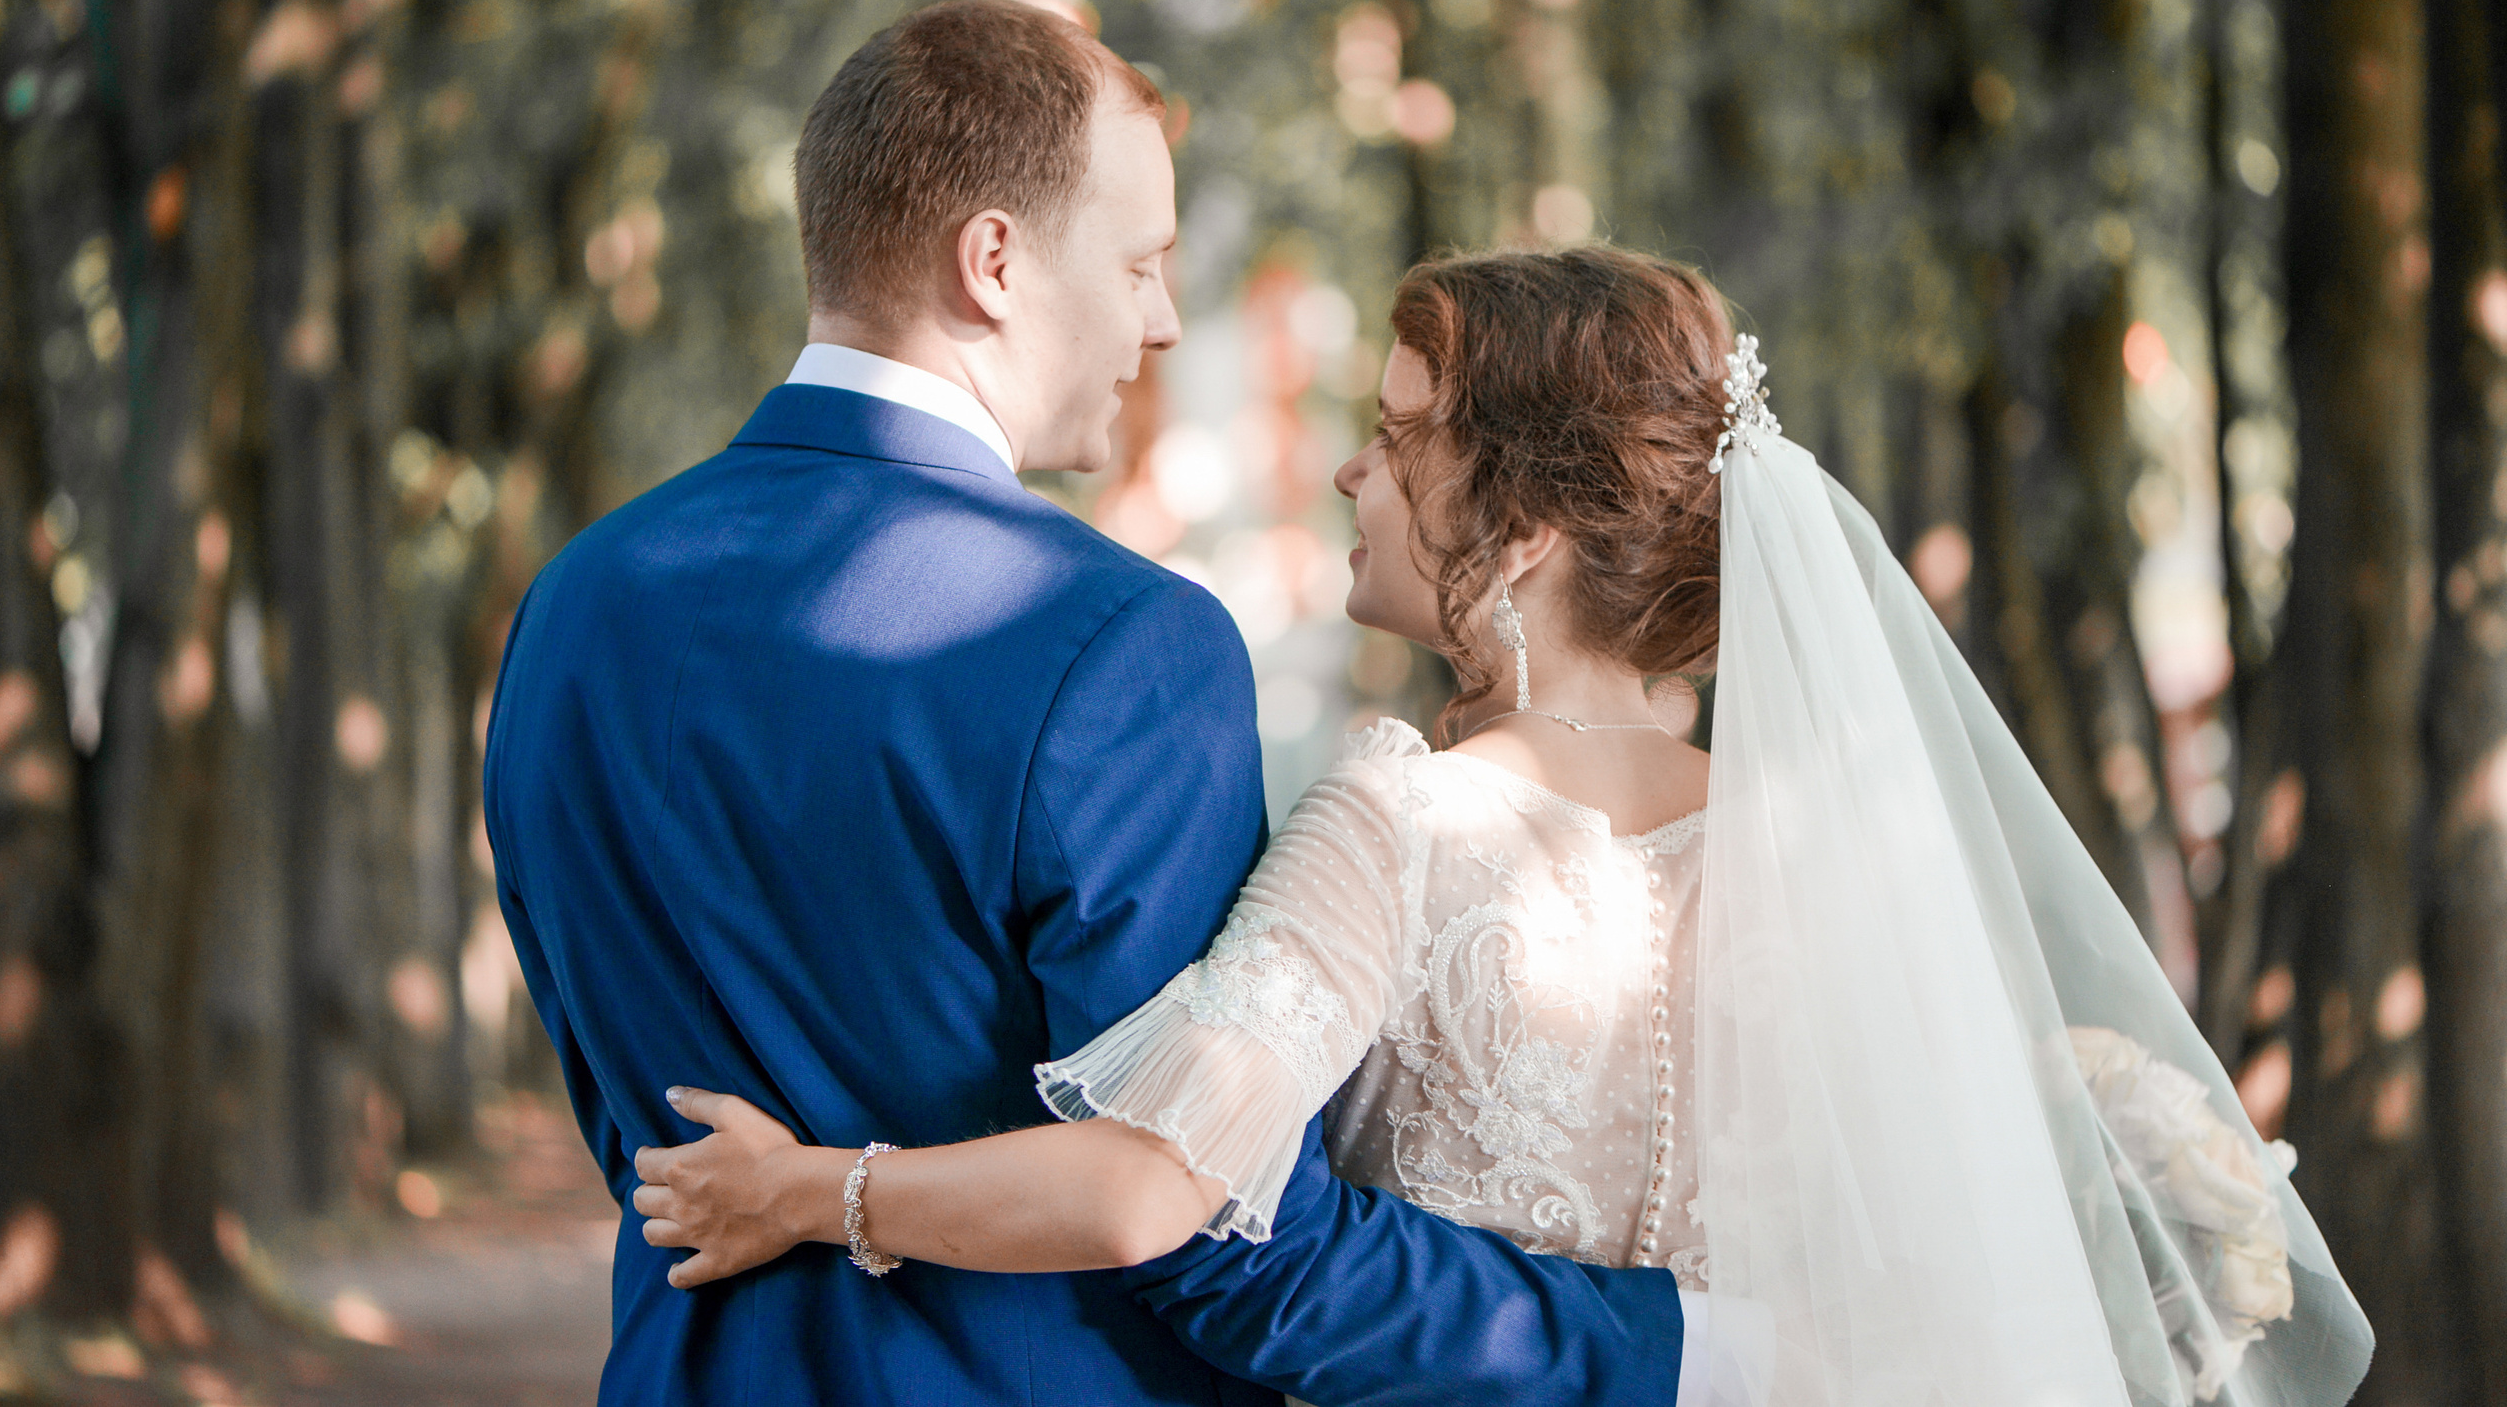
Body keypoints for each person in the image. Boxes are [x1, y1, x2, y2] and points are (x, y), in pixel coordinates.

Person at [634, 243, 2379, 1407]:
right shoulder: (1838, 858)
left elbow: (1154, 1191)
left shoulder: (1402, 821)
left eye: (1400, 440)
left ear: (1528, 532)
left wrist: (814, 1191)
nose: (1353, 472)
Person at [480, 0, 1693, 1407]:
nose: (1162, 322)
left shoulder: (572, 605)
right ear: (993, 262)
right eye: (1139, 265)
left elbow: (625, 1106)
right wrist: (1674, 1346)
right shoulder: (1119, 644)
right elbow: (1211, 1227)